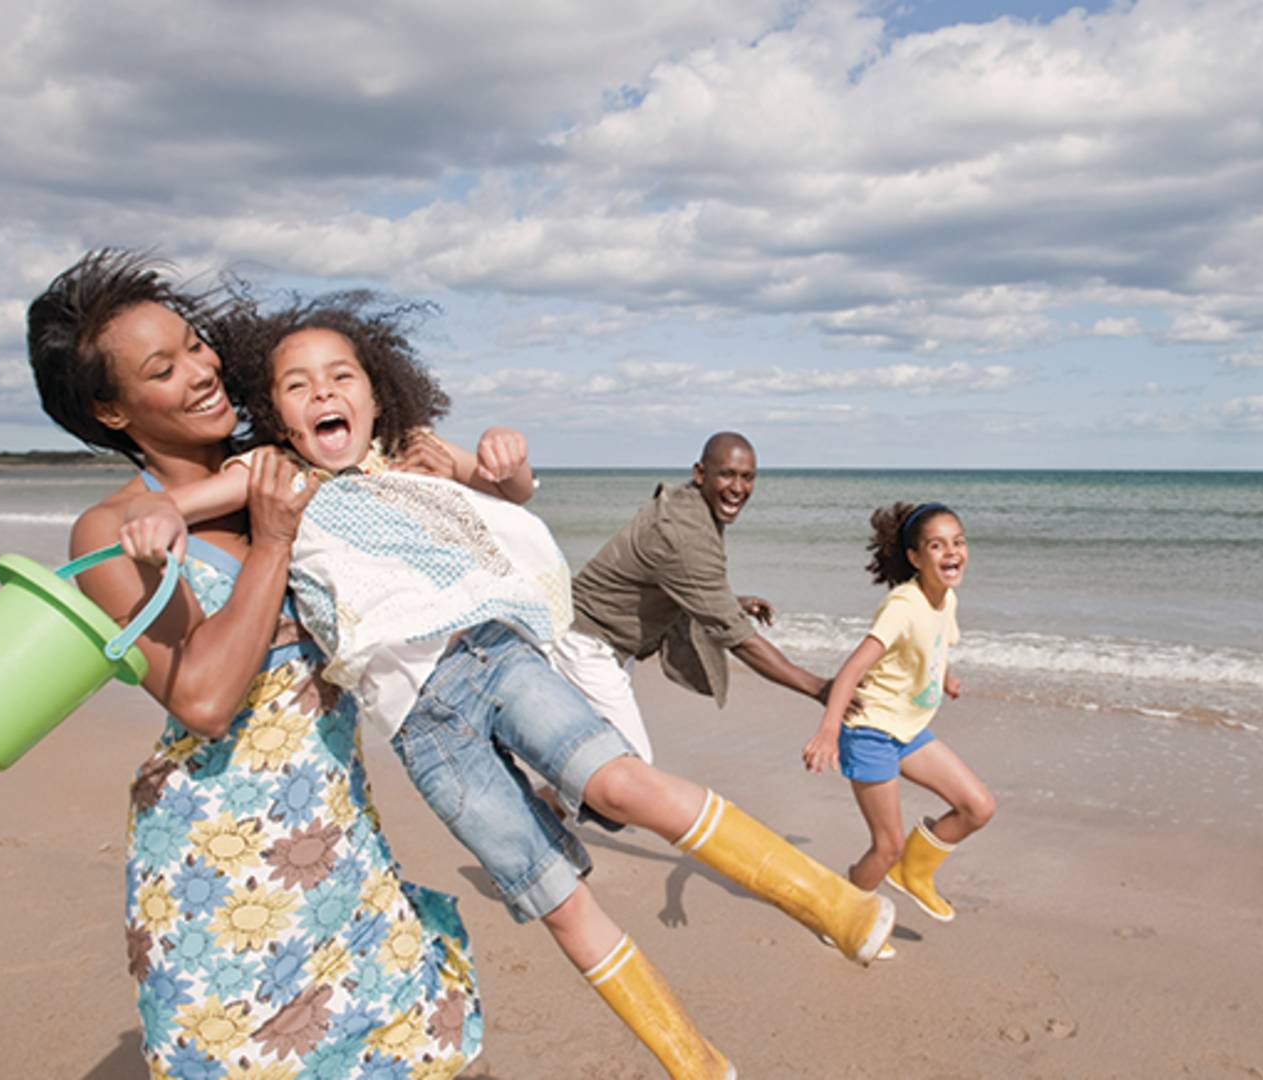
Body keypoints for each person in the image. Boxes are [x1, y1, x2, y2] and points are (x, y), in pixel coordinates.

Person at [123, 293, 896, 1080]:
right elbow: (178, 504)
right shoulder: (275, 474)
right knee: (557, 898)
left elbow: (509, 492)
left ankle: (834, 905)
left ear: (375, 392)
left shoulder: (409, 450)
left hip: (494, 654)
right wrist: (158, 521)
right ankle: (693, 1062)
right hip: (424, 728)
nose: (324, 393)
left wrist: (506, 457)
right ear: (278, 415)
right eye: (297, 385)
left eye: (341, 375)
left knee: (624, 784)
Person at [27, 251, 480, 1078]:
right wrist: (271, 542)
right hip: (222, 868)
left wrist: (445, 476)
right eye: (163, 370)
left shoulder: (295, 471)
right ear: (111, 411)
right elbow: (200, 697)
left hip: (340, 838)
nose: (202, 372)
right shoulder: (112, 531)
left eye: (196, 346)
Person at [545, 432, 838, 769]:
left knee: (603, 762)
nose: (738, 488)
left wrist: (732, 601)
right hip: (586, 644)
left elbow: (676, 580)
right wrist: (818, 688)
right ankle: (539, 807)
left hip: (606, 644)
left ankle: (543, 809)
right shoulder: (685, 532)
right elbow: (740, 639)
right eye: (727, 474)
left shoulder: (690, 504)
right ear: (701, 474)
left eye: (748, 477)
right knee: (630, 768)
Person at [802, 502, 996, 930]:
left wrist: (944, 678)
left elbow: (937, 643)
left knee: (978, 807)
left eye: (959, 542)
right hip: (871, 733)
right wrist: (829, 732)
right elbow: (852, 669)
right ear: (914, 557)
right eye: (937, 545)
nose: (952, 553)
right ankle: (839, 917)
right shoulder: (902, 606)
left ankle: (915, 872)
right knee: (887, 845)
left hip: (908, 730)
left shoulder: (947, 600)